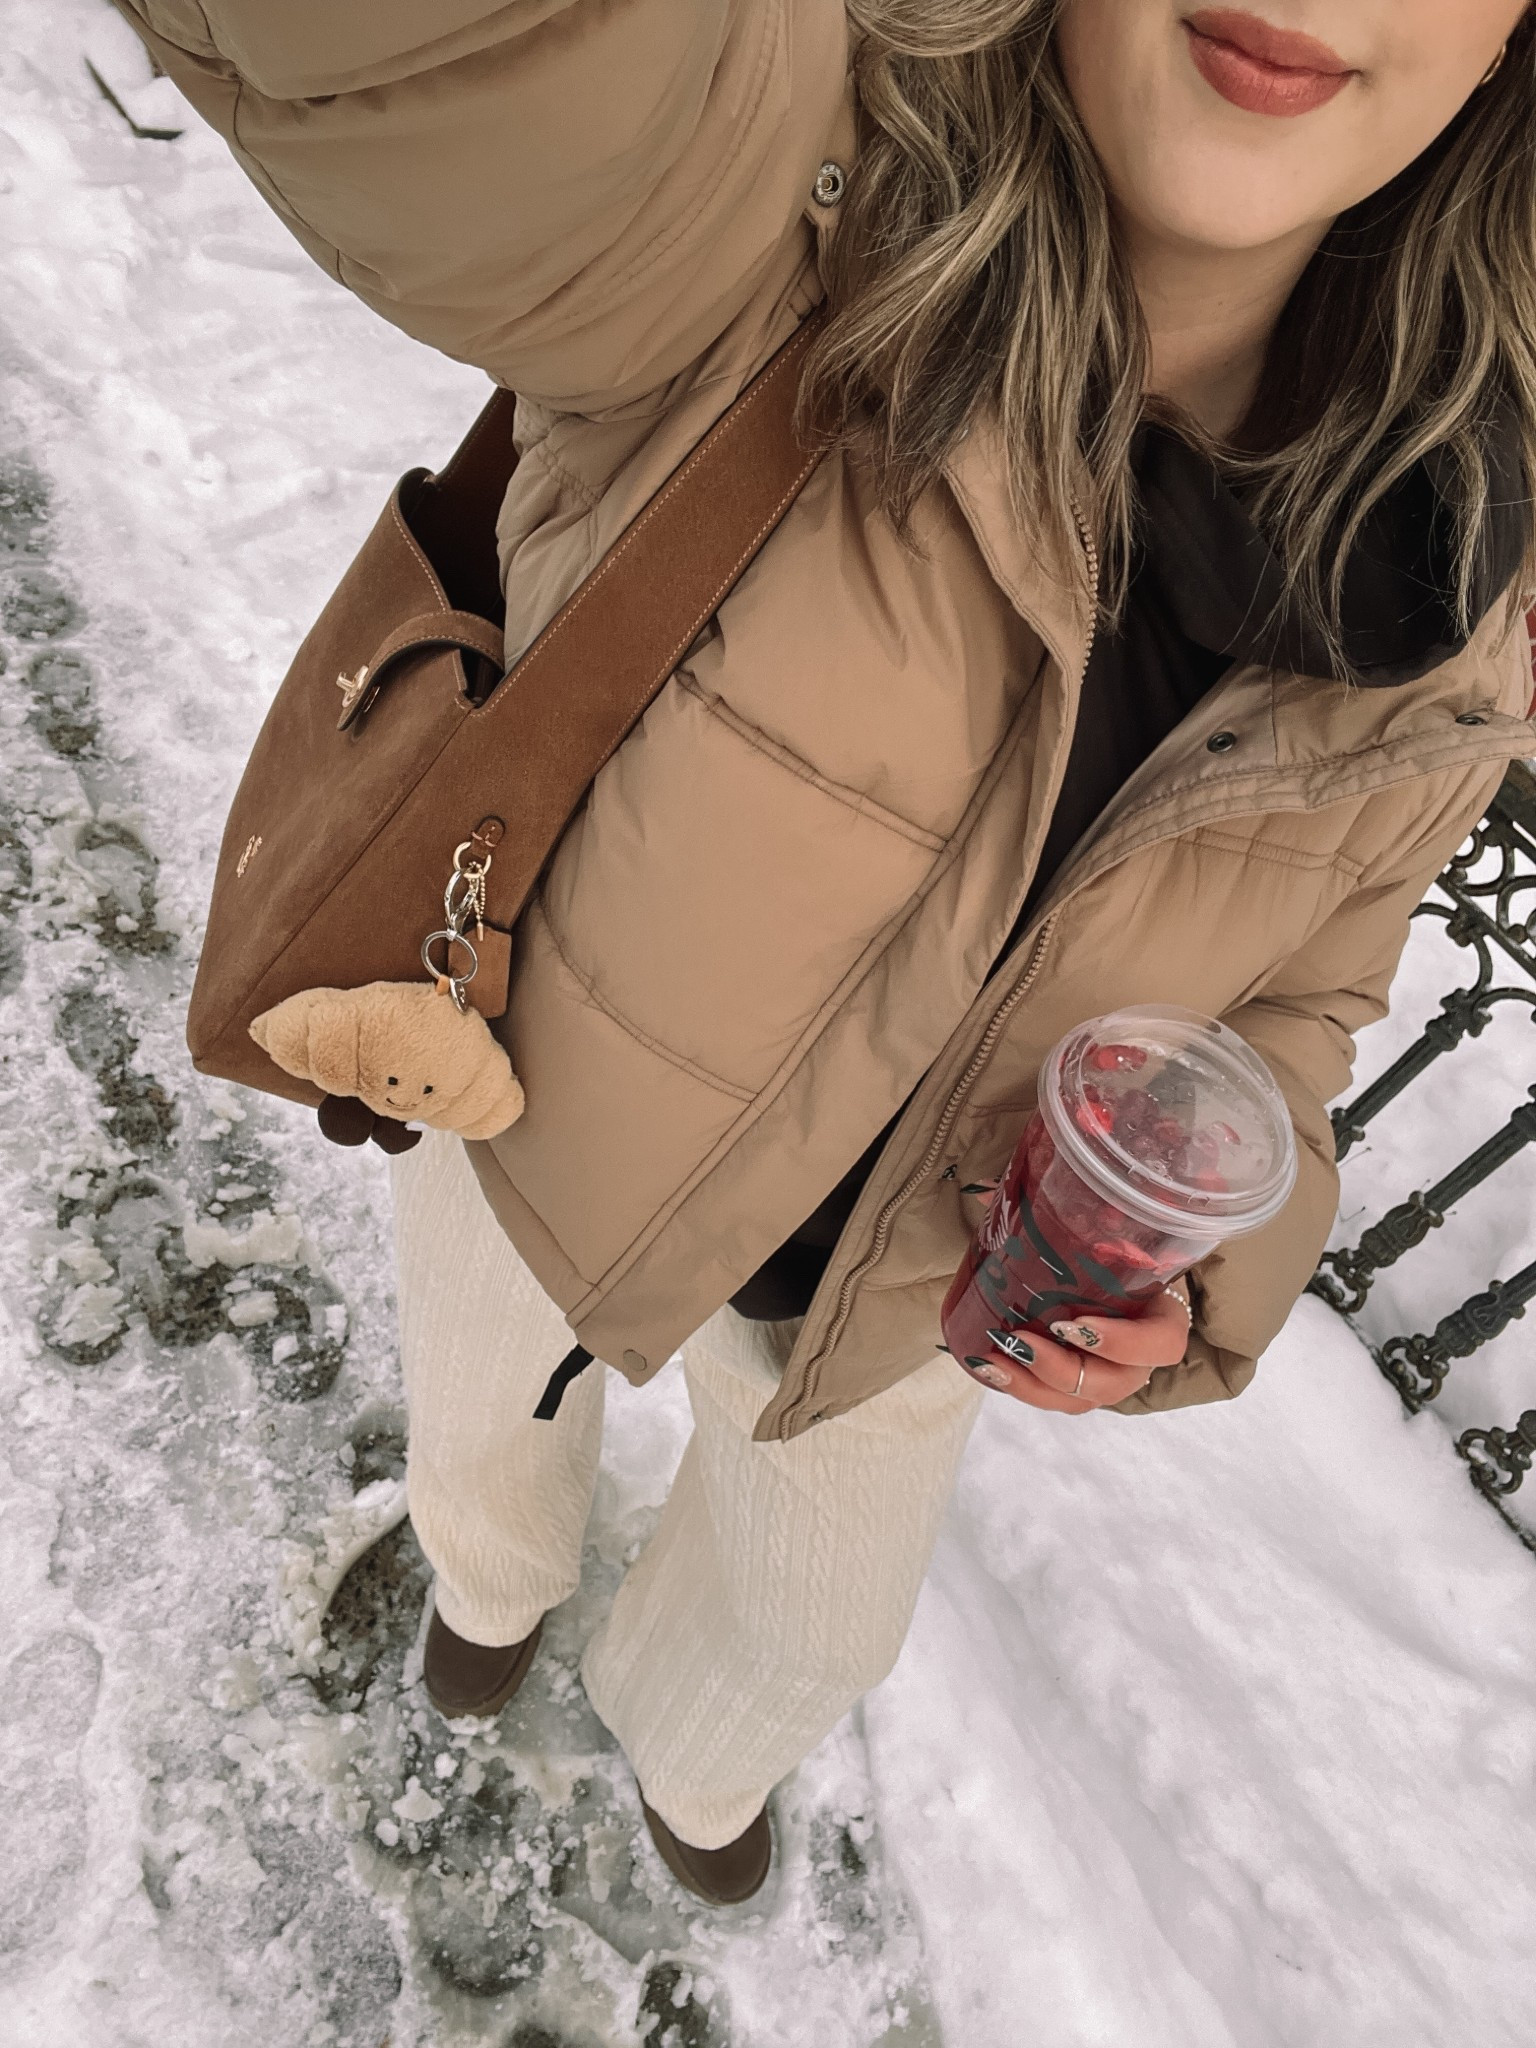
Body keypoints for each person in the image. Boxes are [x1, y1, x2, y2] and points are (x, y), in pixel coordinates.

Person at [116, 0, 1536, 1906]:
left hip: (920, 1297)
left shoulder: (1472, 578)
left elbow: (1306, 988)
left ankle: (693, 1757)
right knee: (480, 1428)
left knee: (807, 1629)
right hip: (532, 1115)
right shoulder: (783, 202)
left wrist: (1200, 1265)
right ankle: (488, 1589)